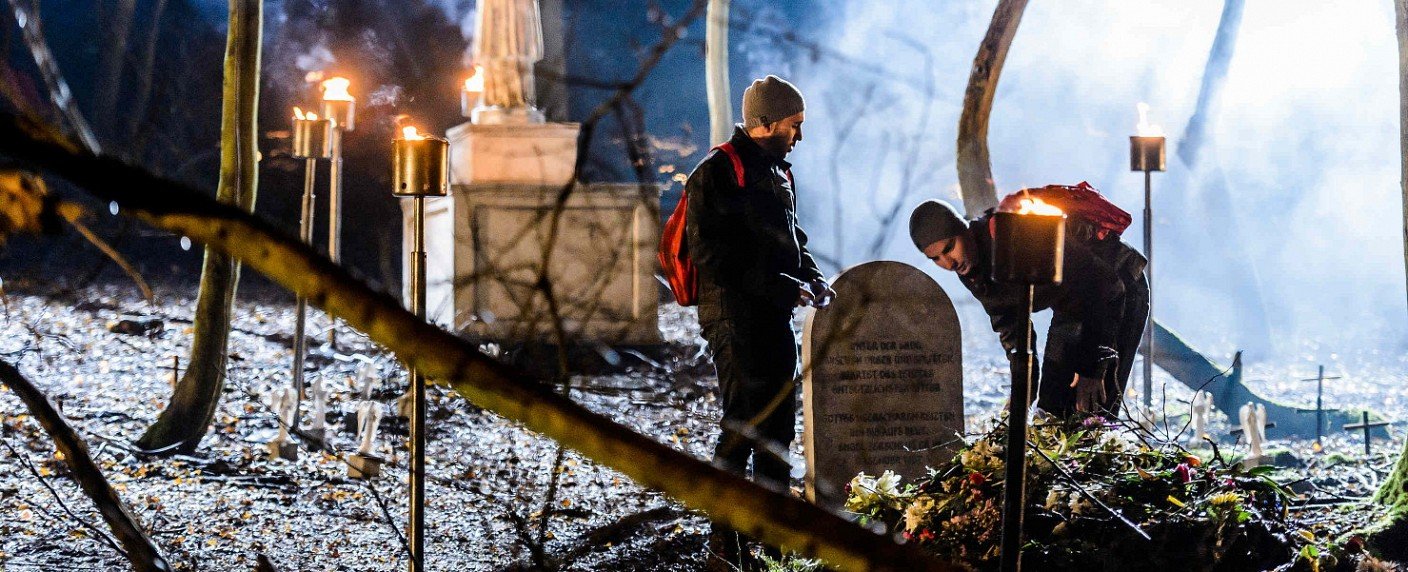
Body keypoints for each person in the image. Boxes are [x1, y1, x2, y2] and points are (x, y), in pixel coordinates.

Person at [685, 75, 833, 569]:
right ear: (765, 123)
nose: (800, 136)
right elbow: (711, 257)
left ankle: (771, 542)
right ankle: (724, 543)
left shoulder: (778, 173)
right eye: (794, 125)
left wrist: (812, 277)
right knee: (743, 427)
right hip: (733, 319)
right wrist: (783, 287)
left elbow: (792, 238)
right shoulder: (716, 173)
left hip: (773, 316)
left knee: (778, 429)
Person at [908, 198, 1148, 417]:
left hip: (1118, 283)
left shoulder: (1012, 238)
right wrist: (1022, 396)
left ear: (964, 230)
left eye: (949, 248)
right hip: (1072, 302)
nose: (948, 263)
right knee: (1052, 409)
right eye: (935, 258)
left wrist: (1092, 368)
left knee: (1092, 406)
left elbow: (1103, 287)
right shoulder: (970, 270)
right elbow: (1012, 329)